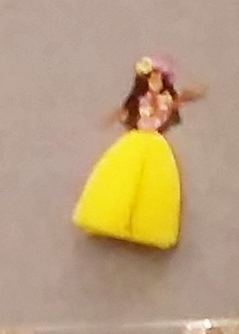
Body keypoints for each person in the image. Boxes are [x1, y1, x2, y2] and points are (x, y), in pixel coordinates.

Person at [70, 56, 194, 247]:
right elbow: (132, 110)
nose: (154, 83)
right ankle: (110, 217)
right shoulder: (141, 99)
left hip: (154, 145)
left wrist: (182, 98)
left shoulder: (165, 100)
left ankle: (146, 226)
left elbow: (168, 108)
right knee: (122, 177)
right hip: (136, 141)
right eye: (151, 80)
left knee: (151, 183)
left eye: (158, 80)